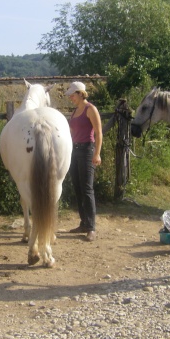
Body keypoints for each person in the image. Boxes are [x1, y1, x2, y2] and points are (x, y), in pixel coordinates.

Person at [65, 81, 103, 242]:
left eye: (73, 94)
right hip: (74, 151)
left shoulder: (90, 109)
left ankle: (91, 227)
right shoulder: (75, 111)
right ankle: (83, 223)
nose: (71, 97)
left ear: (81, 93)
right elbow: (72, 131)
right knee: (78, 188)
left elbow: (99, 133)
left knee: (87, 189)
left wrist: (97, 153)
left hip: (87, 151)